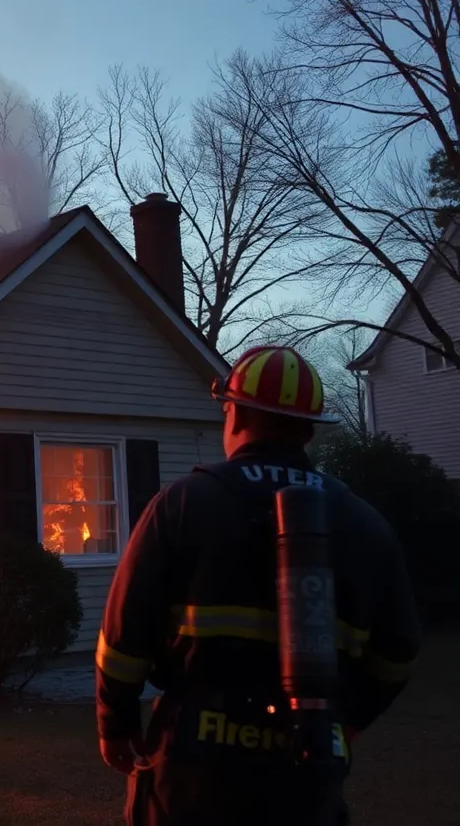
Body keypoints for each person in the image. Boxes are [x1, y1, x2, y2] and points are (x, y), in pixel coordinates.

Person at [96, 345, 421, 826]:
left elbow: (124, 639)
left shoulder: (182, 503)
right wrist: (345, 721)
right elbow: (397, 655)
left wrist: (117, 724)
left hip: (191, 767)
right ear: (309, 431)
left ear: (235, 413)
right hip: (307, 765)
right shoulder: (364, 521)